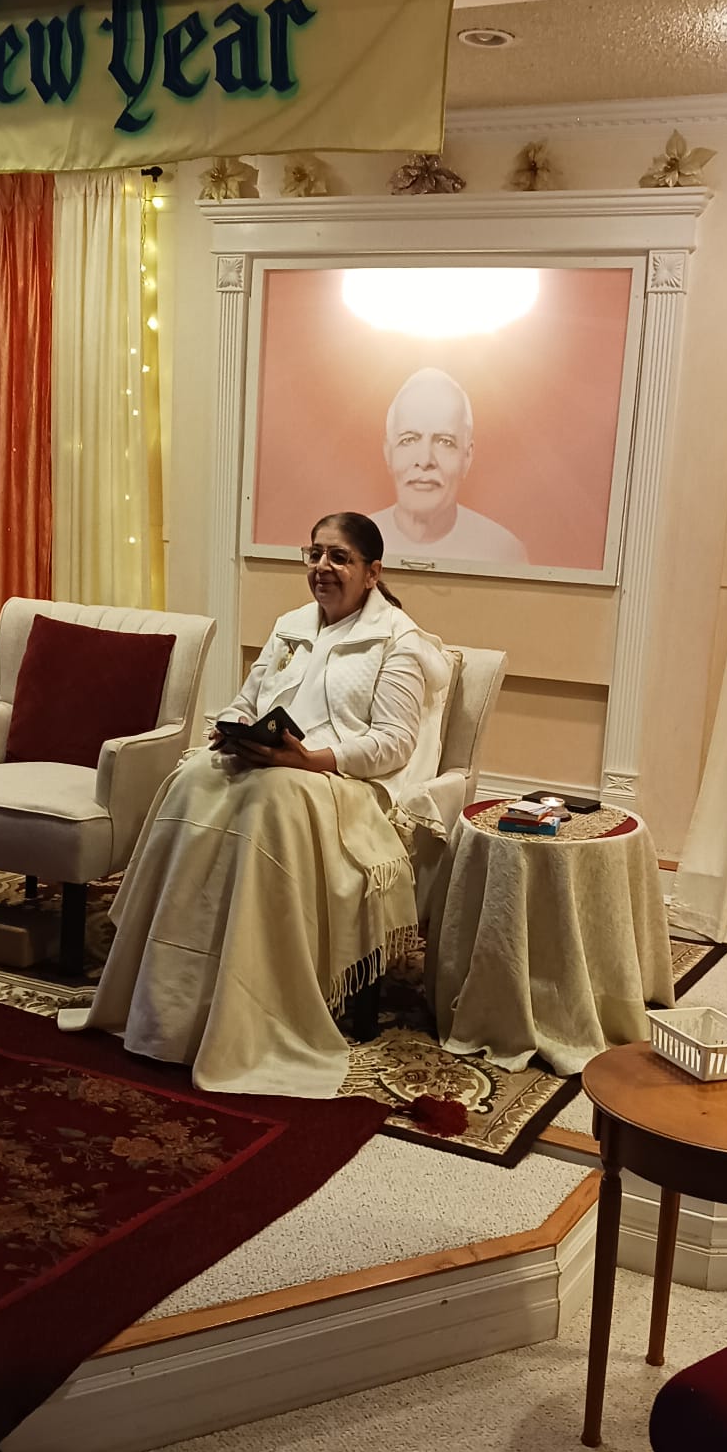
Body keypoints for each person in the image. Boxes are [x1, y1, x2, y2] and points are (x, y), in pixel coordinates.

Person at [61, 511, 451, 1097]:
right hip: (273, 764)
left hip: (343, 781)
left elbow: (394, 743)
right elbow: (246, 700)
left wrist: (310, 759)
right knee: (192, 777)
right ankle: (169, 1000)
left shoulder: (399, 642)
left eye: (339, 557)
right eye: (315, 553)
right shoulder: (290, 626)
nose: (322, 567)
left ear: (372, 572)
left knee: (272, 796)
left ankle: (256, 1004)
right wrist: (233, 729)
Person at [369, 367, 528, 564]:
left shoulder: (503, 552)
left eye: (445, 442)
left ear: (467, 457)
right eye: (408, 440)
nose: (425, 460)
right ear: (388, 453)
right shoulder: (351, 545)